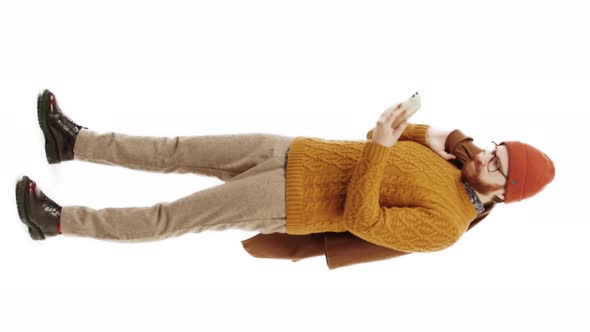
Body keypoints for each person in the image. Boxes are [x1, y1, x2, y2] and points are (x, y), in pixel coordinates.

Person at [15, 89, 555, 268]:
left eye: (499, 166)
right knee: (173, 148)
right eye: (496, 148)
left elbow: (362, 219)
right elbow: (407, 132)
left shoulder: (446, 228)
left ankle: (58, 222)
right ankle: (72, 142)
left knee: (170, 216)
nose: (487, 157)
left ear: (505, 195)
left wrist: (379, 150)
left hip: (289, 198)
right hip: (291, 150)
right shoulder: (457, 161)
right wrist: (443, 134)